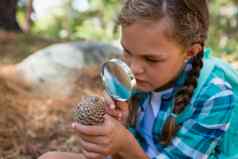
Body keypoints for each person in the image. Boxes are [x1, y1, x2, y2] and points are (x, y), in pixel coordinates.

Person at [39, 0, 238, 159]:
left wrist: (124, 144)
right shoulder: (127, 78)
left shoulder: (216, 98)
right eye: (127, 51)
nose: (133, 68)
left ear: (190, 52)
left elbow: (125, 147)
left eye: (151, 59)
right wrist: (118, 124)